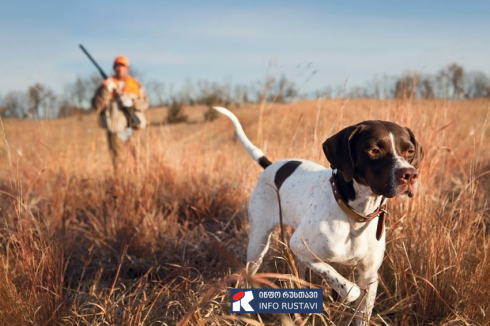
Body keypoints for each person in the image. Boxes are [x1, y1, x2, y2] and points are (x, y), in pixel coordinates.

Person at [91, 56, 149, 170]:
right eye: (117, 66)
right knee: (118, 159)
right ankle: (120, 184)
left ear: (127, 68)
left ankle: (141, 181)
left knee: (140, 156)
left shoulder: (135, 84)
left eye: (122, 66)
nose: (119, 69)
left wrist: (131, 102)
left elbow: (145, 104)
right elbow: (96, 105)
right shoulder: (106, 84)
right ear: (114, 68)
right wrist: (106, 91)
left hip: (135, 127)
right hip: (115, 128)